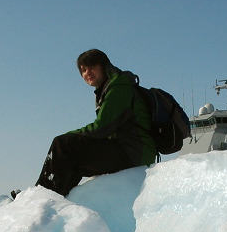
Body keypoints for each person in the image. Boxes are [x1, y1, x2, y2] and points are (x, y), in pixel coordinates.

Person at [32, 49, 156, 197]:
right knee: (73, 160)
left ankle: (40, 196)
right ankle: (56, 198)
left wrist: (71, 135)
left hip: (134, 153)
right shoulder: (109, 88)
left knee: (63, 144)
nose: (87, 73)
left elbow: (101, 128)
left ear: (104, 66)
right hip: (131, 150)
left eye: (92, 67)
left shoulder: (118, 88)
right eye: (83, 70)